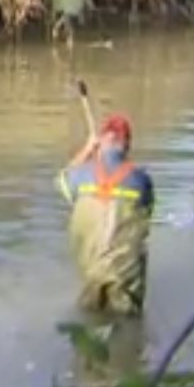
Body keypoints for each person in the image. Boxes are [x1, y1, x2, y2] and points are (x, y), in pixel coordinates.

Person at [56, 112, 155, 317]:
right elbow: (148, 215)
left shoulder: (80, 174)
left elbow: (60, 182)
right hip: (125, 278)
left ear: (103, 141)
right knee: (128, 327)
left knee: (88, 328)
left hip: (92, 275)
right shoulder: (142, 180)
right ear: (127, 145)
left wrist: (87, 150)